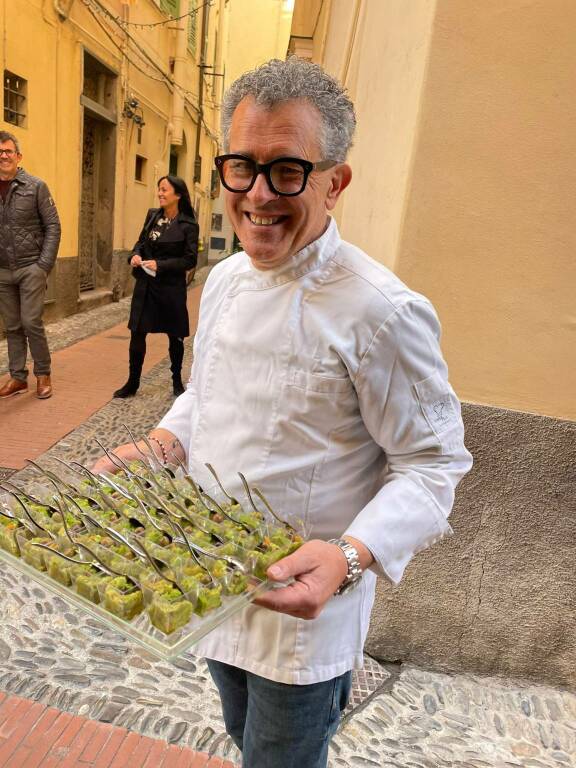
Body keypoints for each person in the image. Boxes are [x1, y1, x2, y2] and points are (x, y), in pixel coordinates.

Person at [94, 59, 473, 768]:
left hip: (306, 618)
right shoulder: (230, 279)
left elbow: (434, 464)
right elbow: (206, 394)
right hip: (211, 579)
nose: (259, 195)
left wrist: (351, 557)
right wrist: (161, 443)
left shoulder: (381, 312)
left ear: (336, 182)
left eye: (287, 171)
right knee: (244, 741)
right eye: (242, 166)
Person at [113, 175, 199, 399]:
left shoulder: (189, 224)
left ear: (178, 194)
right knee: (137, 333)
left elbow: (189, 260)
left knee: (175, 336)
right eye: (159, 189)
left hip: (171, 288)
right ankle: (132, 383)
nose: (160, 193)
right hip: (146, 285)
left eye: (164, 190)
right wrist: (135, 255)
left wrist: (160, 265)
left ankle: (176, 381)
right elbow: (140, 242)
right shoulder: (153, 216)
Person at [0, 131, 61, 400]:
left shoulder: (36, 186)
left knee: (31, 322)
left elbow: (53, 226)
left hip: (30, 267)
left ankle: (43, 374)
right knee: (12, 326)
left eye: (8, 151)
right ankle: (17, 377)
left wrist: (43, 265)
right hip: (3, 270)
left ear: (18, 156)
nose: (3, 156)